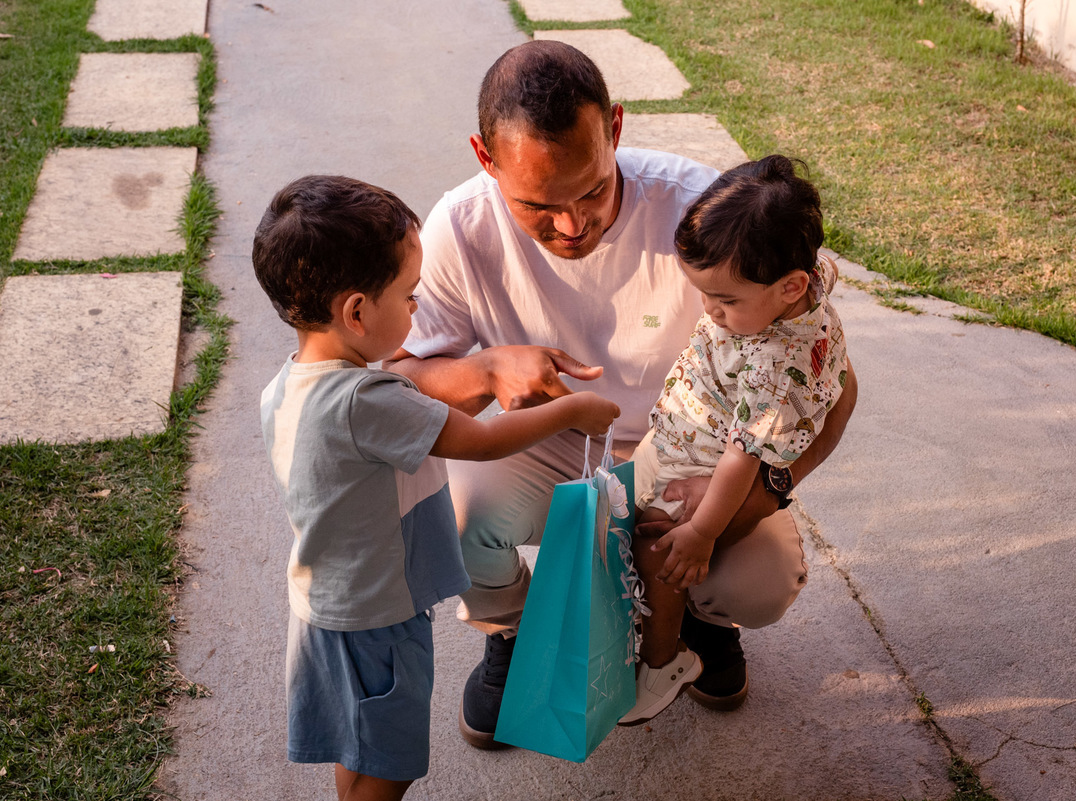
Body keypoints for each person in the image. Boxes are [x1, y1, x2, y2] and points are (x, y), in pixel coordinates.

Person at [389, 41, 858, 749]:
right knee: (452, 521)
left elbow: (835, 382)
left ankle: (703, 618)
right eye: (539, 206)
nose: (573, 225)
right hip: (542, 445)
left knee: (764, 577)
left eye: (593, 191)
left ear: (614, 129)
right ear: (486, 159)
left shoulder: (705, 213)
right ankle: (522, 627)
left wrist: (770, 486)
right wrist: (485, 369)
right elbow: (396, 381)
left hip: (691, 453)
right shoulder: (458, 227)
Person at [253, 174, 619, 800]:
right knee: (392, 762)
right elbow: (478, 441)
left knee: (360, 740)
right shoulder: (367, 401)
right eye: (409, 295)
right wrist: (573, 412)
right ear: (357, 312)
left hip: (326, 606)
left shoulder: (289, 385)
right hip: (379, 615)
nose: (417, 309)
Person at [619, 156, 850, 725]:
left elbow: (738, 462)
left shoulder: (774, 365)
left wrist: (700, 532)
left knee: (662, 554)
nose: (710, 311)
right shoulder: (807, 290)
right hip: (679, 439)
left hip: (698, 465)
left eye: (725, 300)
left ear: (790, 285)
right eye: (703, 294)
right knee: (628, 534)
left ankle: (662, 660)